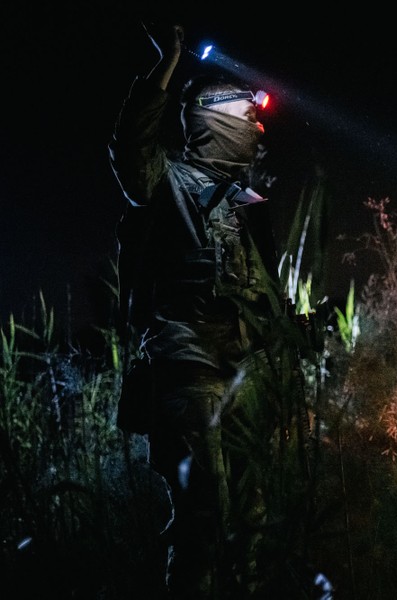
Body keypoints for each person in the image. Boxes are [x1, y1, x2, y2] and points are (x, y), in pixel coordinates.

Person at [108, 21, 283, 598]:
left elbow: (259, 297)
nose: (258, 127)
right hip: (187, 372)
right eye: (248, 115)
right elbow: (131, 150)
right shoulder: (169, 183)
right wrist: (167, 64)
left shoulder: (248, 204)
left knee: (253, 516)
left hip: (242, 375)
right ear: (214, 120)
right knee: (204, 518)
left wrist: (290, 332)